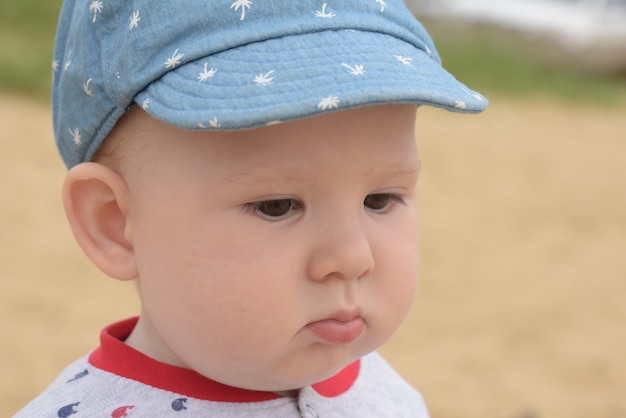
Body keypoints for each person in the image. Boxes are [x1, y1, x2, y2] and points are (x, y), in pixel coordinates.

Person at [16, 0, 487, 416]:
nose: (353, 257)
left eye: (379, 199)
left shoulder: (386, 394)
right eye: (278, 206)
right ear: (116, 223)